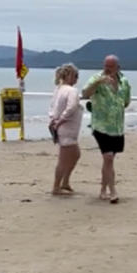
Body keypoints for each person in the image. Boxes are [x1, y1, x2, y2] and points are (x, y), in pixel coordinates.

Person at [81, 55, 131, 204]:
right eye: (105, 65)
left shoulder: (124, 81)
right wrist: (97, 83)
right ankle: (113, 191)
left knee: (108, 160)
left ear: (117, 67)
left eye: (110, 66)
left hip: (116, 127)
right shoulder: (97, 78)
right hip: (100, 125)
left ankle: (103, 189)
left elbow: (126, 101)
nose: (107, 69)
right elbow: (85, 94)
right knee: (108, 157)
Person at [48, 63, 83, 196]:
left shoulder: (58, 89)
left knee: (75, 154)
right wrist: (61, 120)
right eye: (75, 76)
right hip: (66, 127)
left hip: (63, 127)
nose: (77, 79)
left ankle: (65, 182)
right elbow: (72, 106)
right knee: (63, 159)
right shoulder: (71, 91)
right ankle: (56, 187)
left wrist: (53, 119)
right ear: (69, 76)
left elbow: (52, 108)